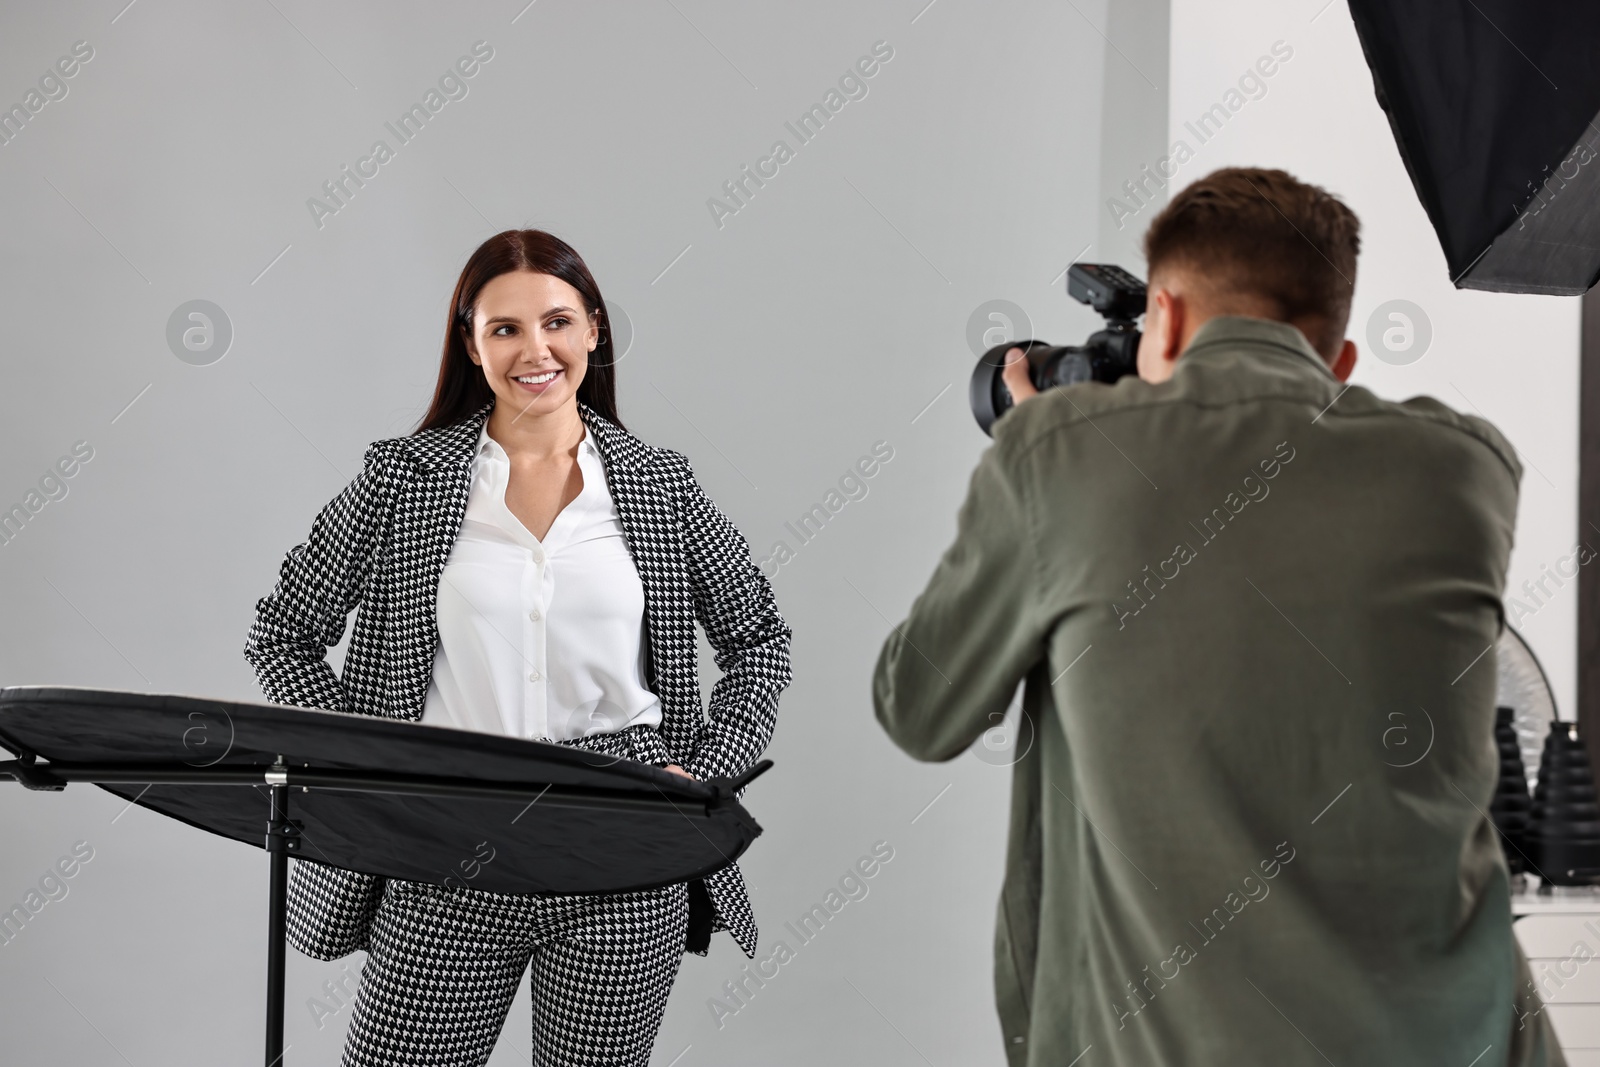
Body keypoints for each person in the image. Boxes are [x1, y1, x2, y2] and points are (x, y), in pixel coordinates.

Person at [871, 167, 1562, 1066]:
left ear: (1162, 317)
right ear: (1340, 360)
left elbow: (920, 708)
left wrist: (1045, 462)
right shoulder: (1466, 471)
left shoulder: (1060, 457)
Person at [243, 229, 793, 1066]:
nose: (535, 350)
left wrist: (710, 769)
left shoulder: (657, 484)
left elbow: (760, 638)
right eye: (504, 328)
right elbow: (282, 631)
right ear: (471, 343)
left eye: (558, 322)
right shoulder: (404, 479)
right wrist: (365, 759)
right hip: (444, 841)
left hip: (623, 848)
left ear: (595, 330)